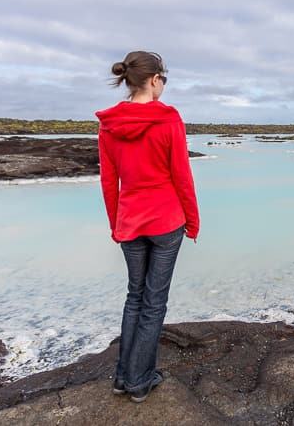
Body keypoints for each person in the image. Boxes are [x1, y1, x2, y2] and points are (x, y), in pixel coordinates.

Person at [94, 50, 200, 403]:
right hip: (167, 222)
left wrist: (116, 224)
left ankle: (123, 377)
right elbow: (181, 175)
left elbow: (109, 181)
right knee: (154, 303)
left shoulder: (109, 124)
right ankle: (140, 380)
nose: (164, 86)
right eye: (163, 79)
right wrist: (193, 220)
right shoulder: (168, 119)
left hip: (130, 222)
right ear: (155, 79)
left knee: (134, 297)